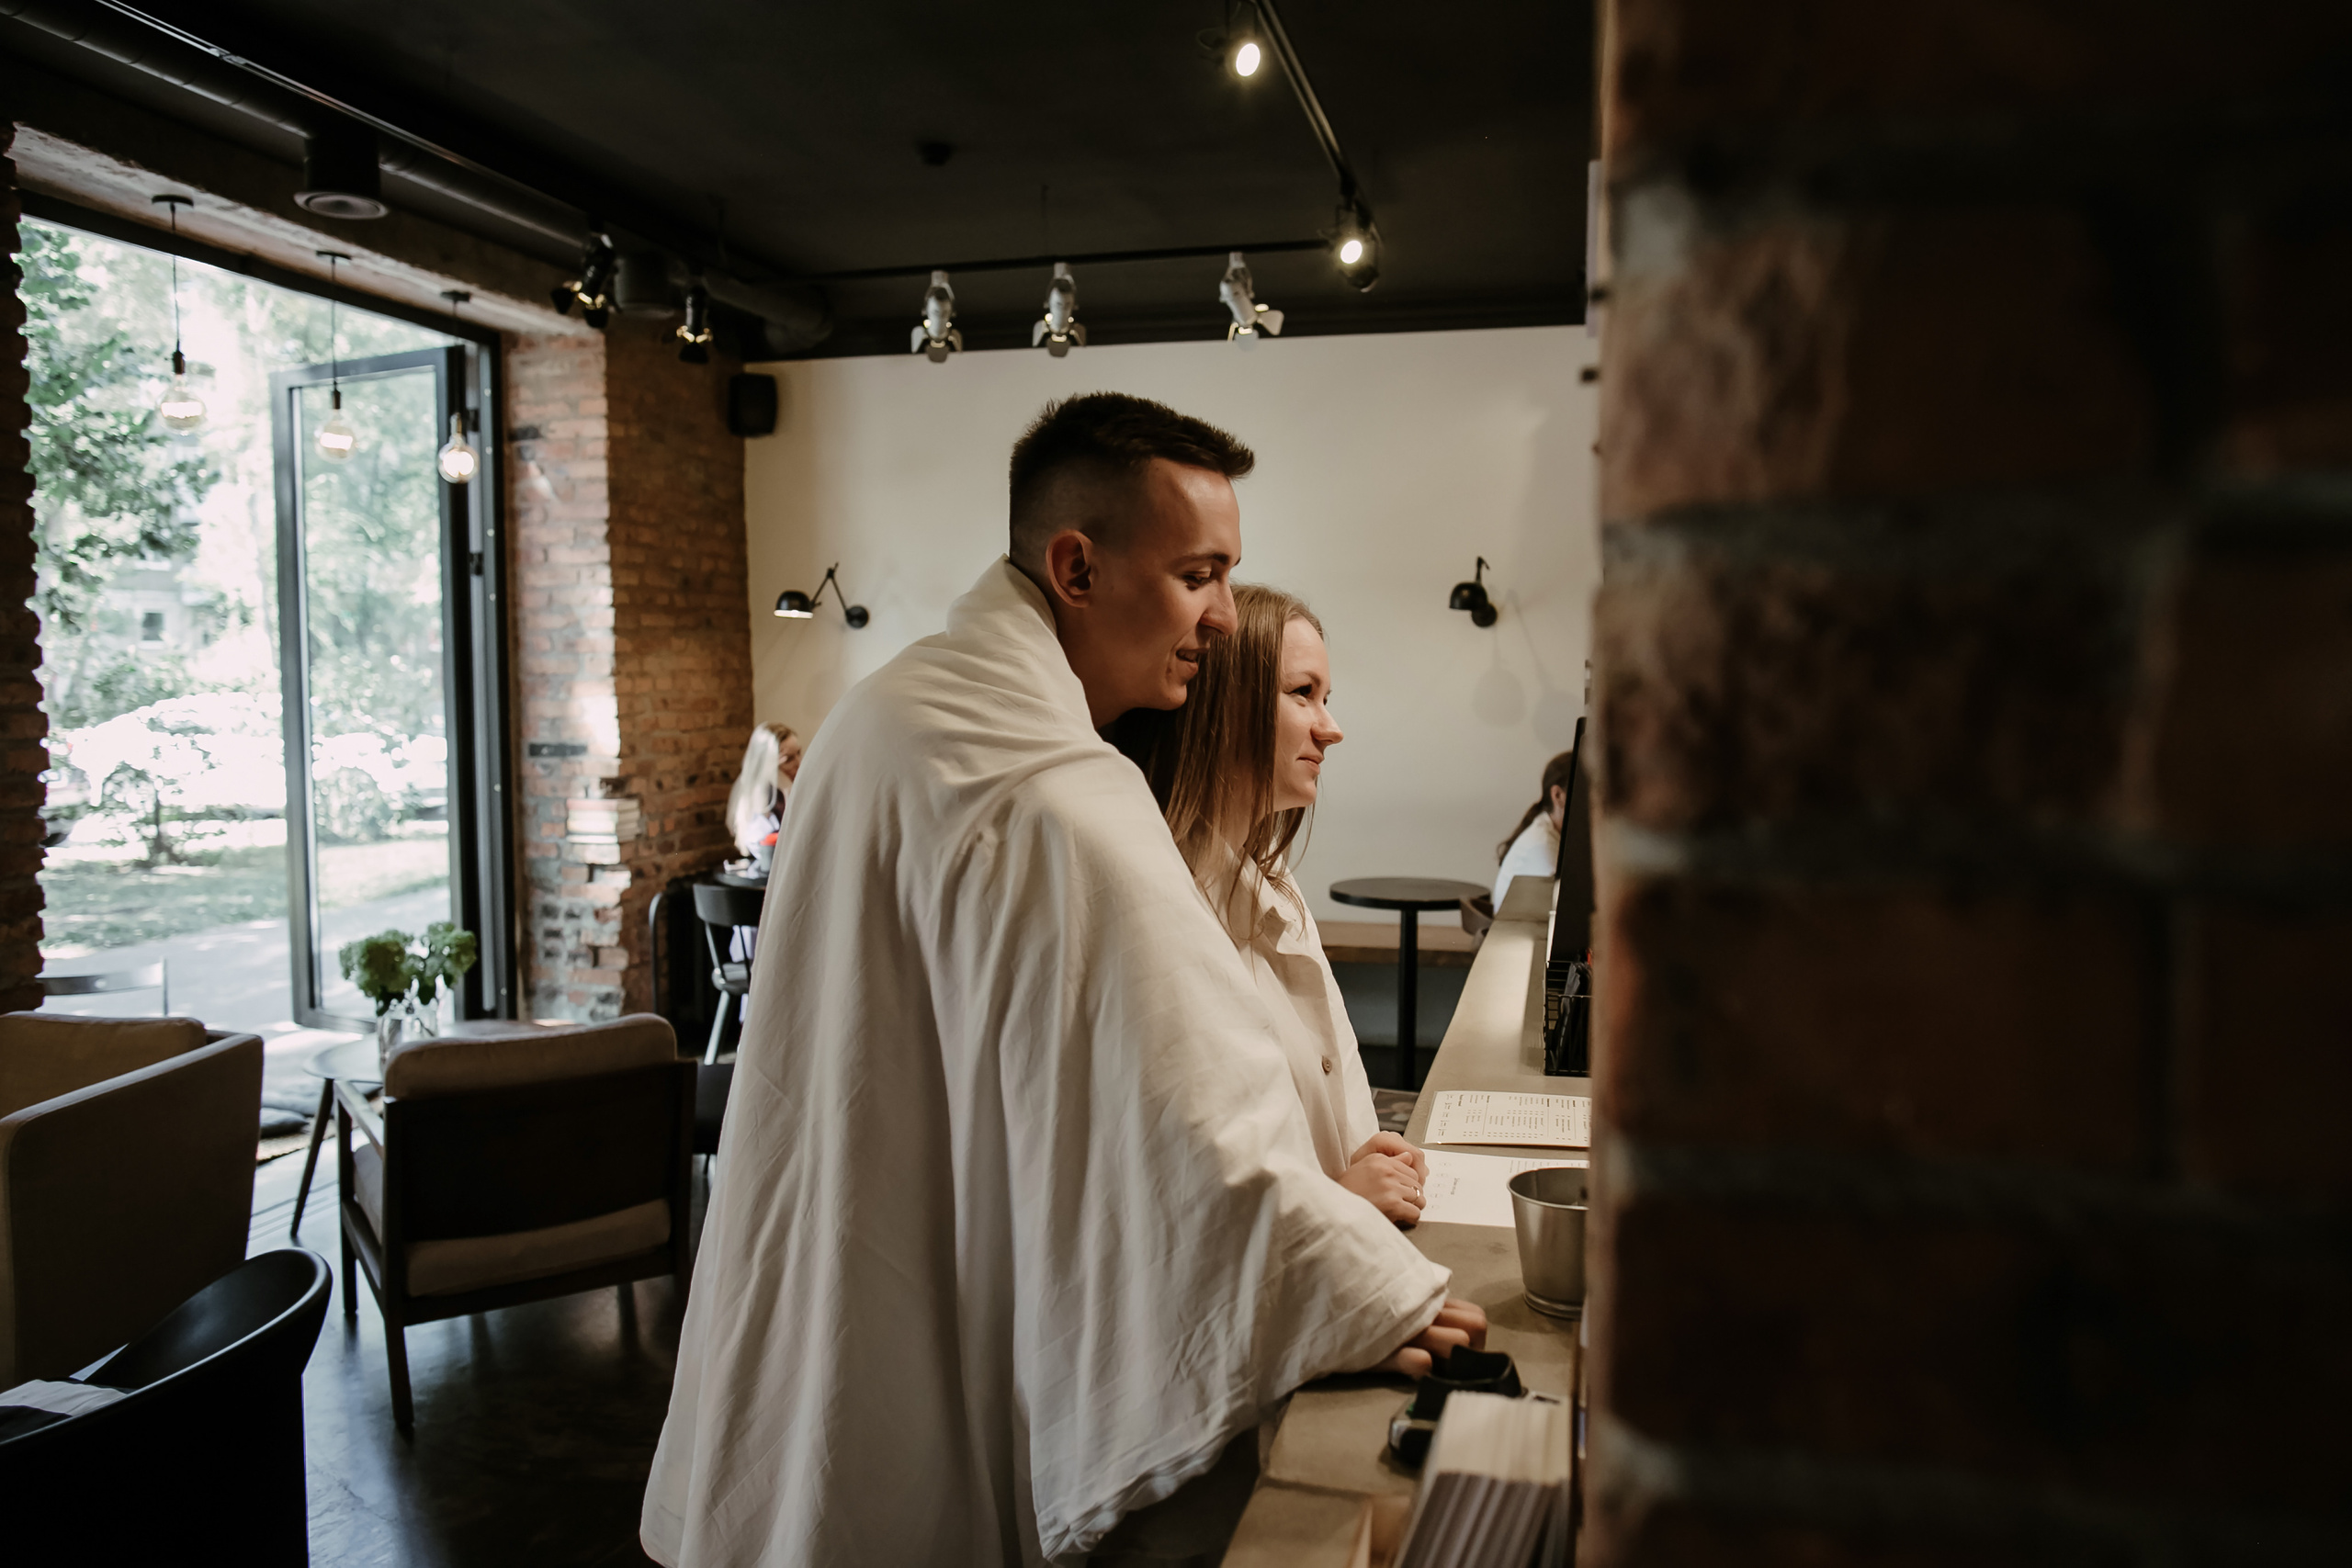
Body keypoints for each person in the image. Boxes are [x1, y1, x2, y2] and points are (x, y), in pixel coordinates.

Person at [642, 393, 1483, 1568]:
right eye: (1200, 576)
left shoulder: (885, 711)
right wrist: (1344, 1291)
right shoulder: (1054, 790)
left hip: (839, 1234)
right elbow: (1188, 1119)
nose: (1222, 620)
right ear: (1076, 566)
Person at [1115, 584, 1428, 1225]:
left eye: (1326, 699)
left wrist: (1362, 1153)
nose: (1331, 728)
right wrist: (1337, 1196)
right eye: (1302, 694)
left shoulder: (1274, 878)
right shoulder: (1166, 904)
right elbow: (1174, 1194)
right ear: (1229, 706)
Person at [1493, 749, 1575, 907]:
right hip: (1517, 929)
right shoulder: (1542, 848)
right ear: (1558, 795)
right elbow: (1567, 907)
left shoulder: (1548, 830)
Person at [725, 721, 803, 865]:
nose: (799, 763)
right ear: (770, 765)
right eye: (789, 759)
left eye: (799, 753)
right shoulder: (758, 803)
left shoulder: (798, 785)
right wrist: (788, 792)